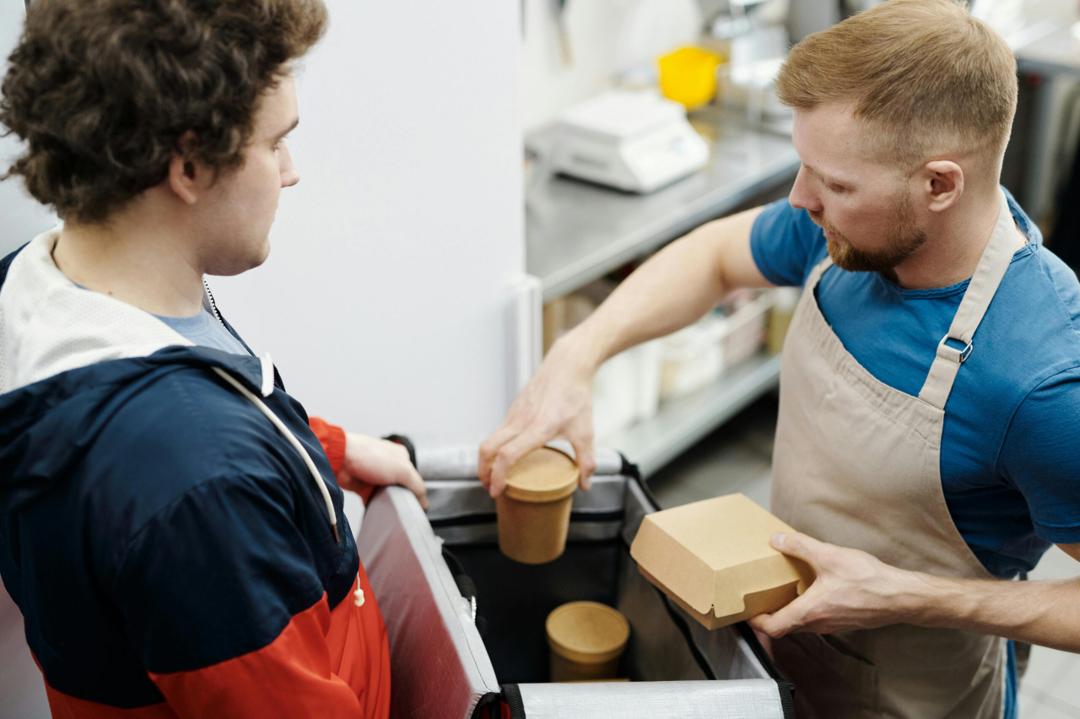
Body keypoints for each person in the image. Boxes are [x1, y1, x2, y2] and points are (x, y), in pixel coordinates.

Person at [480, 1, 1080, 716]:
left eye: (836, 184)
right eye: (806, 168)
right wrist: (576, 358)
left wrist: (907, 594)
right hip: (790, 662)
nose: (801, 199)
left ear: (941, 184)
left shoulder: (1041, 378)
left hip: (923, 692)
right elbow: (714, 257)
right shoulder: (856, 233)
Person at [0, 1, 426, 716]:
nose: (291, 173)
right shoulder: (197, 488)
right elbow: (184, 476)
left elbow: (165, 411)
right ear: (191, 163)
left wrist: (332, 448)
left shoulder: (38, 288)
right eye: (276, 143)